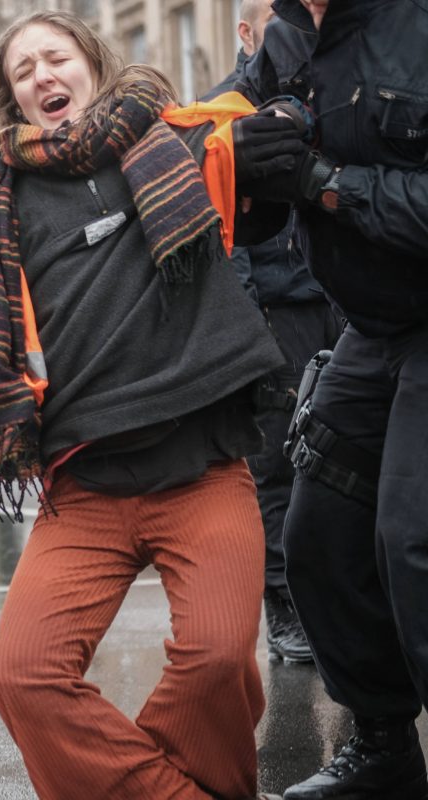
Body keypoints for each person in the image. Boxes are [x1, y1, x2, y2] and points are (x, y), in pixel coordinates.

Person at [0, 11, 295, 799]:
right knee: (24, 679)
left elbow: (269, 115)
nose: (43, 76)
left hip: (203, 471)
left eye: (55, 58)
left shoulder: (179, 145)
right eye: (23, 70)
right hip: (84, 489)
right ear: (12, 98)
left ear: (91, 63)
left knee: (217, 662)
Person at [234, 0, 428, 797]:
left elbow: (327, 188)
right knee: (318, 532)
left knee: (411, 538)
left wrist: (326, 183)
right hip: (372, 325)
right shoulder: (283, 41)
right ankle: (383, 750)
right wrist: (246, 166)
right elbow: (248, 202)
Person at [205, 0, 343, 665]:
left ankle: (341, 604)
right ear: (247, 33)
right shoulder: (225, 111)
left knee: (342, 464)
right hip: (274, 312)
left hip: (335, 305)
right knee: (276, 468)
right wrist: (247, 323)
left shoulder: (330, 85)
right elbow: (225, 236)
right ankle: (283, 603)